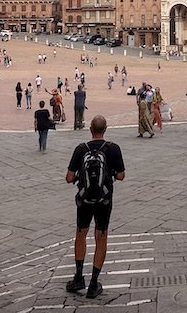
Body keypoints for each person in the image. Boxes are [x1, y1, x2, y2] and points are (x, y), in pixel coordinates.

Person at [65, 115, 125, 299]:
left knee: (81, 233)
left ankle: (78, 277)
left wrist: (79, 178)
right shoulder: (113, 149)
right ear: (105, 129)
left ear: (90, 129)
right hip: (104, 199)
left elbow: (68, 177)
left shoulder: (81, 149)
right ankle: (93, 284)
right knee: (101, 236)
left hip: (84, 200)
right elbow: (121, 176)